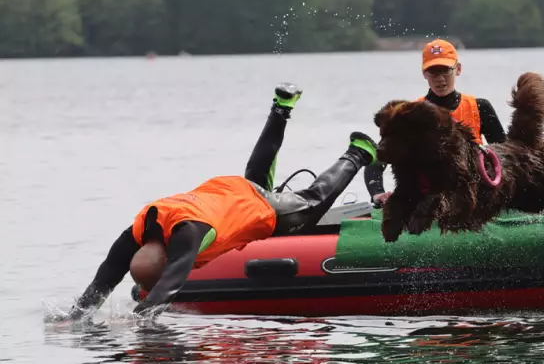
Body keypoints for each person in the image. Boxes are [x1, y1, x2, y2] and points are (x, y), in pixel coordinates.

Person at [63, 83, 378, 320]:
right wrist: (76, 315)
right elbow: (108, 273)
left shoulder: (187, 235)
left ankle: (358, 151)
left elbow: (170, 285)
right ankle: (281, 107)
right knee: (256, 178)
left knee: (311, 204)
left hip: (253, 207)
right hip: (226, 188)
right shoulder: (139, 228)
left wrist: (139, 320)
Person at [365, 38, 507, 206]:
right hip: (427, 200)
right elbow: (378, 160)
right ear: (424, 74)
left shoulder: (480, 107)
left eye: (446, 70)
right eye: (433, 72)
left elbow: (505, 156)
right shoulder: (409, 115)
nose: (440, 79)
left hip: (473, 198)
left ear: (458, 69)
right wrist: (377, 193)